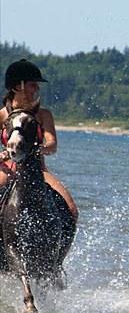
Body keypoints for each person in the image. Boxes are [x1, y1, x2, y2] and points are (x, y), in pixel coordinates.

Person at [0, 58, 78, 220]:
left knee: (71, 210)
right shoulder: (2, 115)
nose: (37, 88)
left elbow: (52, 144)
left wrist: (38, 149)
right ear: (17, 86)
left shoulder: (43, 114)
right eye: (32, 84)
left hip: (38, 168)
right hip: (8, 167)